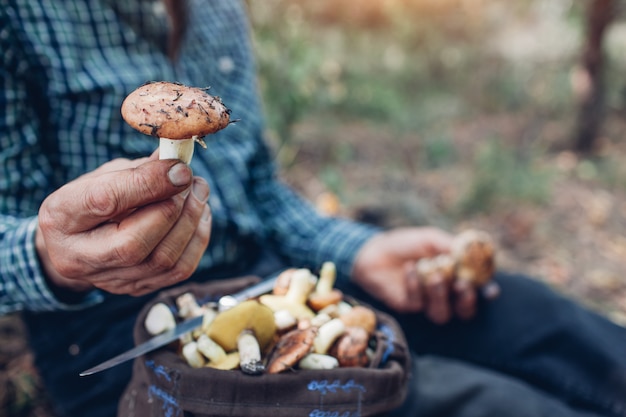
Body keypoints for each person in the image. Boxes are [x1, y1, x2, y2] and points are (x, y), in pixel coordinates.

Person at [1, 1, 624, 417]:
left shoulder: (217, 8)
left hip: (278, 276)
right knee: (477, 402)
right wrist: (46, 252)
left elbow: (262, 191)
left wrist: (361, 248)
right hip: (116, 328)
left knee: (531, 315)